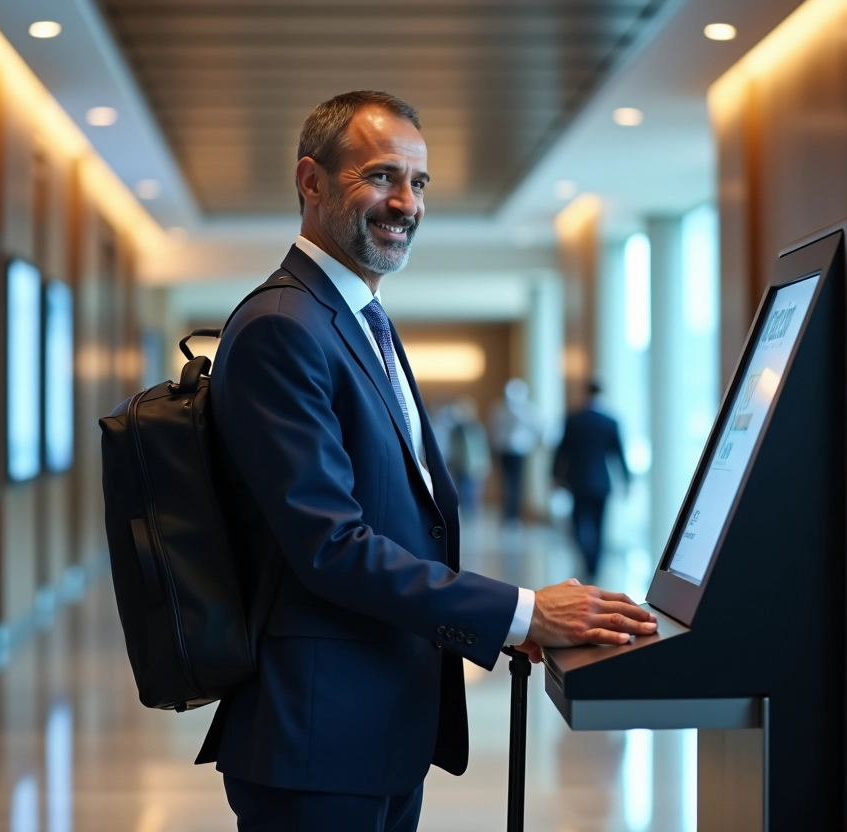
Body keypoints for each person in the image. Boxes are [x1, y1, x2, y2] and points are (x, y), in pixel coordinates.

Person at [201, 91, 656, 832]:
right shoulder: (283, 328)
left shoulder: (358, 318)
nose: (405, 203)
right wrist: (520, 612)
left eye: (419, 183)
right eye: (381, 177)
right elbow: (330, 546)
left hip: (373, 726)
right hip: (318, 741)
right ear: (310, 182)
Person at [553, 381, 630, 577]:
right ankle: (594, 564)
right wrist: (627, 479)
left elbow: (561, 451)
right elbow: (618, 455)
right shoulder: (610, 421)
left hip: (577, 480)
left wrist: (554, 475)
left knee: (578, 524)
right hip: (602, 482)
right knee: (599, 525)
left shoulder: (573, 419)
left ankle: (587, 558)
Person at [488, 378, 542, 523]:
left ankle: (514, 514)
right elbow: (494, 430)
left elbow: (538, 427)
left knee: (517, 483)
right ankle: (507, 513)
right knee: (506, 482)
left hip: (520, 451)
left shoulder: (528, 410)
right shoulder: (499, 409)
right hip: (504, 450)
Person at [444, 397, 491, 515]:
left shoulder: (476, 428)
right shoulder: (456, 429)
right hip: (459, 464)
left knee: (471, 491)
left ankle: (470, 514)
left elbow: (482, 447)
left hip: (473, 465)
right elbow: (452, 447)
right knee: (460, 490)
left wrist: (484, 464)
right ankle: (464, 512)